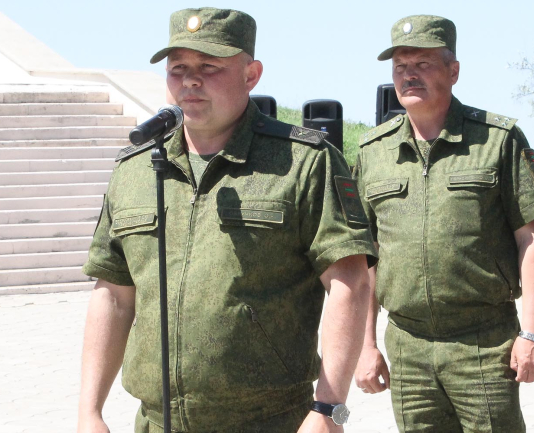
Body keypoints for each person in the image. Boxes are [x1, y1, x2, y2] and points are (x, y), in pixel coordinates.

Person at [77, 7, 378, 433]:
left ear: (251, 75)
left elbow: (350, 283)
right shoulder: (137, 169)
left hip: (271, 422)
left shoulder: (303, 162)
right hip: (158, 422)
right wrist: (89, 411)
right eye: (178, 68)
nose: (190, 80)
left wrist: (329, 410)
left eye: (209, 67)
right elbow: (113, 295)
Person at [352, 15, 534, 433]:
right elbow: (364, 258)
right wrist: (365, 344)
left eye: (423, 64)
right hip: (407, 348)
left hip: (484, 343)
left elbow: (530, 239)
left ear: (454, 71)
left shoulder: (497, 140)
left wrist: (533, 333)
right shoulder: (373, 152)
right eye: (400, 67)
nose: (409, 75)